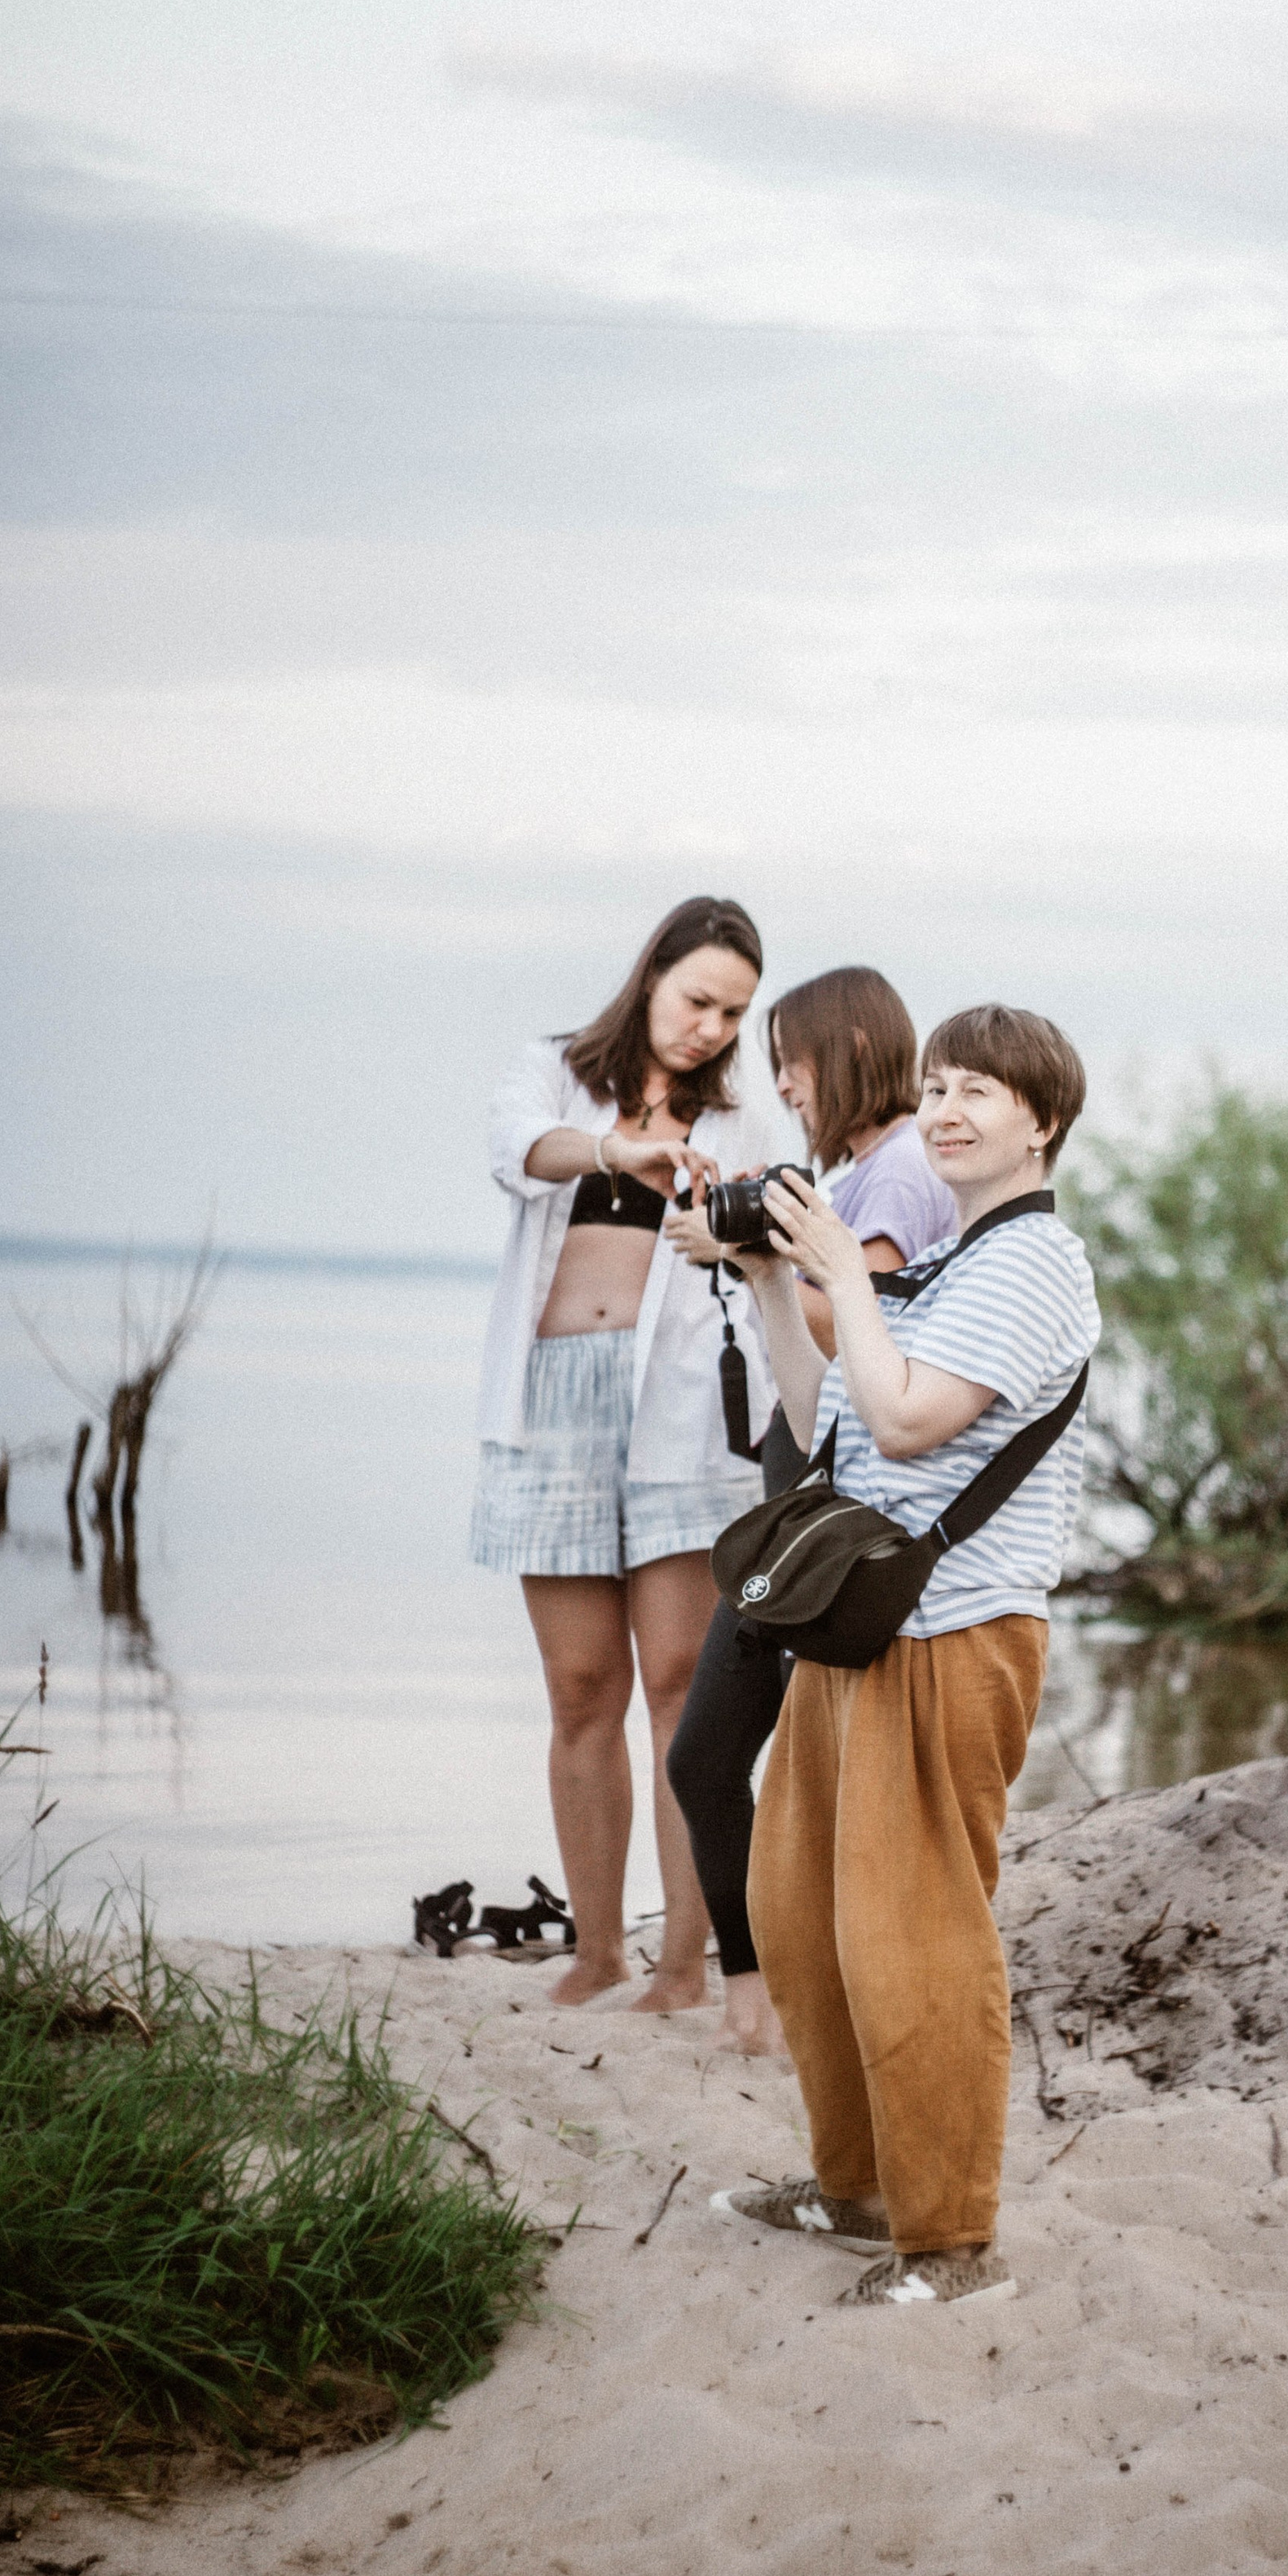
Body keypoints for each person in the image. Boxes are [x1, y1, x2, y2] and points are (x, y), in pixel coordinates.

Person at [710, 1003, 1099, 2305]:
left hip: (957, 1630)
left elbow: (917, 1420)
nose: (943, 1110)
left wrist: (845, 1268)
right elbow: (833, 1426)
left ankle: (950, 2236)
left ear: (1042, 1120)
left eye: (977, 1090)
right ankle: (856, 2187)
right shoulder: (954, 1262)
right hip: (861, 1624)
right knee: (804, 1913)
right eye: (933, 1087)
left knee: (916, 1932)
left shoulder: (1034, 1265)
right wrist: (774, 1278)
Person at [470, 896, 779, 2011]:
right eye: (698, 1000)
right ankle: (596, 1949)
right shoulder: (554, 1070)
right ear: (652, 976)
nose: (708, 1028)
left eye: (732, 1014)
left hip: (682, 1418)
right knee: (579, 1687)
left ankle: (684, 1964)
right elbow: (516, 1153)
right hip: (552, 1400)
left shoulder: (742, 1122)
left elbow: (772, 1241)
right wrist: (619, 1147)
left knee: (681, 1688)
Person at [664, 967, 956, 2059]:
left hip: (836, 1530)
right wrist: (755, 1257)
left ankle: (784, 1997)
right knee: (708, 1757)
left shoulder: (898, 1176)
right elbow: (812, 1365)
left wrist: (765, 1256)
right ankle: (755, 1987)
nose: (781, 1081)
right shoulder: (861, 1177)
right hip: (796, 1515)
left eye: (791, 1057)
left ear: (845, 1050)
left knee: (779, 1772)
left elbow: (856, 1346)